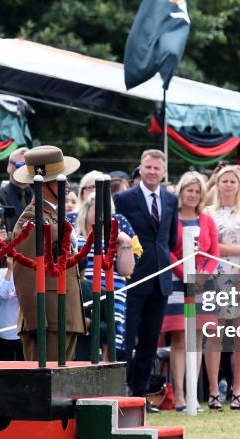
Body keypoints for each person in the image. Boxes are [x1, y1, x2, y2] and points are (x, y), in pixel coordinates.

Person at [113, 149, 178, 411]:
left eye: (157, 168)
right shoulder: (124, 198)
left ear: (164, 172)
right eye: (147, 167)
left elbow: (170, 240)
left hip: (161, 278)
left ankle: (140, 395)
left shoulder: (170, 200)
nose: (152, 172)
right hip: (133, 276)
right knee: (126, 339)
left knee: (150, 341)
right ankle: (121, 392)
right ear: (140, 169)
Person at [11, 146, 86, 362]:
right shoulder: (31, 219)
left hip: (64, 315)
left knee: (61, 389)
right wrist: (36, 321)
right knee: (46, 387)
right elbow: (24, 273)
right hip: (48, 318)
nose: (67, 185)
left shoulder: (53, 215)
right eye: (60, 179)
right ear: (44, 184)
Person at [203, 164, 240, 411]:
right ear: (217, 184)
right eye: (224, 181)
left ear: (238, 185)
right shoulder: (207, 213)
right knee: (214, 333)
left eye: (232, 181)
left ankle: (237, 391)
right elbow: (210, 247)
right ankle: (214, 391)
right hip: (214, 275)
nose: (228, 185)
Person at [162, 172, 218, 411]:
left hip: (202, 284)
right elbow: (168, 249)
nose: (193, 195)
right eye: (189, 190)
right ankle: (180, 395)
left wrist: (201, 275)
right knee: (179, 337)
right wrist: (185, 273)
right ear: (181, 191)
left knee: (197, 338)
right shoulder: (171, 218)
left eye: (197, 191)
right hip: (177, 283)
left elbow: (213, 252)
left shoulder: (206, 220)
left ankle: (194, 394)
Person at [74, 193, 136, 362]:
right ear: (86, 211)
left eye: (107, 211)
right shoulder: (76, 239)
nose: (102, 215)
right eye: (97, 209)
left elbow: (127, 270)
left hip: (113, 296)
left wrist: (126, 243)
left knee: (109, 338)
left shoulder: (117, 239)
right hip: (85, 297)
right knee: (83, 343)